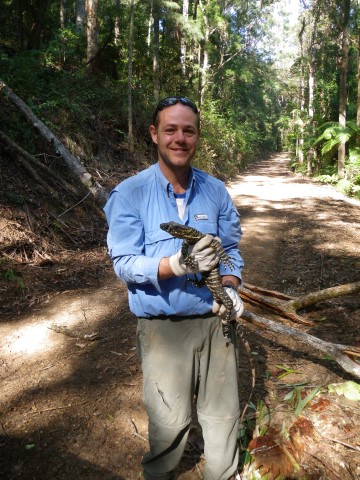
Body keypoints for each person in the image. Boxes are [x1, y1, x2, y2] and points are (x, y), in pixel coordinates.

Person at [104, 96, 244, 480]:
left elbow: (230, 248)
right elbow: (125, 264)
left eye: (188, 130)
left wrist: (230, 286)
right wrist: (175, 265)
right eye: (170, 129)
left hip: (218, 325)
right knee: (168, 424)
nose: (179, 138)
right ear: (154, 134)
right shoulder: (129, 194)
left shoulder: (215, 191)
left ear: (197, 137)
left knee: (222, 417)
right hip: (163, 329)